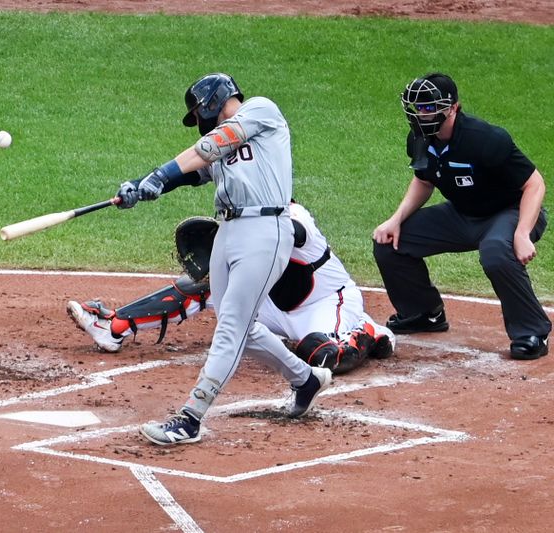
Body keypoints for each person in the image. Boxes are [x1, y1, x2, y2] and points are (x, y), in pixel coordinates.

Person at [113, 73, 332, 446]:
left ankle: (190, 418)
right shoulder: (223, 147)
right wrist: (145, 186)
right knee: (238, 325)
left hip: (265, 230)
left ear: (214, 101)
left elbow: (210, 147)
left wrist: (157, 174)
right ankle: (305, 379)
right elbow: (196, 171)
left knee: (231, 327)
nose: (199, 118)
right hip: (228, 231)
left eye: (199, 110)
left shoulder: (260, 111)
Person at [67, 201, 396, 376]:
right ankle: (114, 328)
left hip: (324, 305)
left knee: (320, 354)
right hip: (273, 307)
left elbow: (288, 234)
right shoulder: (238, 222)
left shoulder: (295, 216)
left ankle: (366, 329)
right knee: (210, 284)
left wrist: (247, 237)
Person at [373, 72, 549, 360]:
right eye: (418, 108)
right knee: (388, 242)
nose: (422, 114)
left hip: (511, 212)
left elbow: (534, 184)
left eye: (430, 107)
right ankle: (423, 314)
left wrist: (521, 233)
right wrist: (395, 219)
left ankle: (531, 332)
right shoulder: (419, 138)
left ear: (453, 107)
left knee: (495, 252)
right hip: (463, 214)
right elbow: (424, 181)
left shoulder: (486, 139)